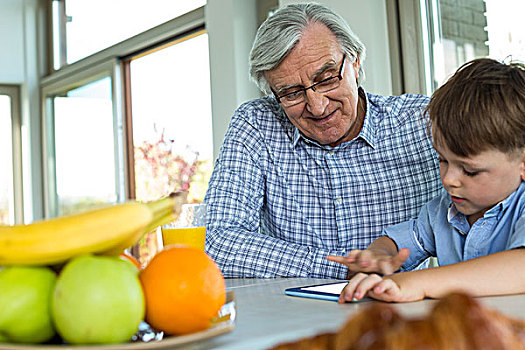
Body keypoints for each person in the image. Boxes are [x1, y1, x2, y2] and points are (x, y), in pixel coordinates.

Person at [204, 3, 441, 278]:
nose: (317, 107)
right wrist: (340, 268)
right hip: (296, 317)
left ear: (354, 61)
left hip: (398, 313)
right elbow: (216, 243)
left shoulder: (424, 123)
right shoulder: (256, 125)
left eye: (327, 79)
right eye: (291, 93)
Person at [328, 58, 525, 302]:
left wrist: (419, 282)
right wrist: (378, 255)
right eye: (443, 160)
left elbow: (520, 268)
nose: (449, 179)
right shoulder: (442, 211)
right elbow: (396, 242)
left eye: (470, 171)